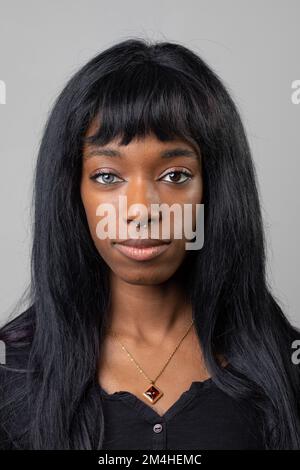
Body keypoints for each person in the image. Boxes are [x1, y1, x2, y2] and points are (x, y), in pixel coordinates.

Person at [0, 38, 299, 450]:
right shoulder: (9, 372)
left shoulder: (288, 366)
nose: (140, 210)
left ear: (215, 189)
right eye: (108, 176)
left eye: (175, 175)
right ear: (72, 191)